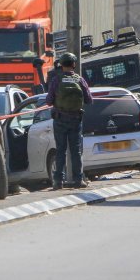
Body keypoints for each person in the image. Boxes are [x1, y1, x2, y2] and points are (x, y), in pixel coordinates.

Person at [46, 52, 93, 190]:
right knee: (76, 151)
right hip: (75, 120)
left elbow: (48, 101)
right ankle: (79, 179)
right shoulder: (79, 80)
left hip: (60, 120)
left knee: (60, 150)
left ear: (61, 65)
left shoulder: (56, 80)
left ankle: (58, 181)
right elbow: (89, 100)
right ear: (73, 64)